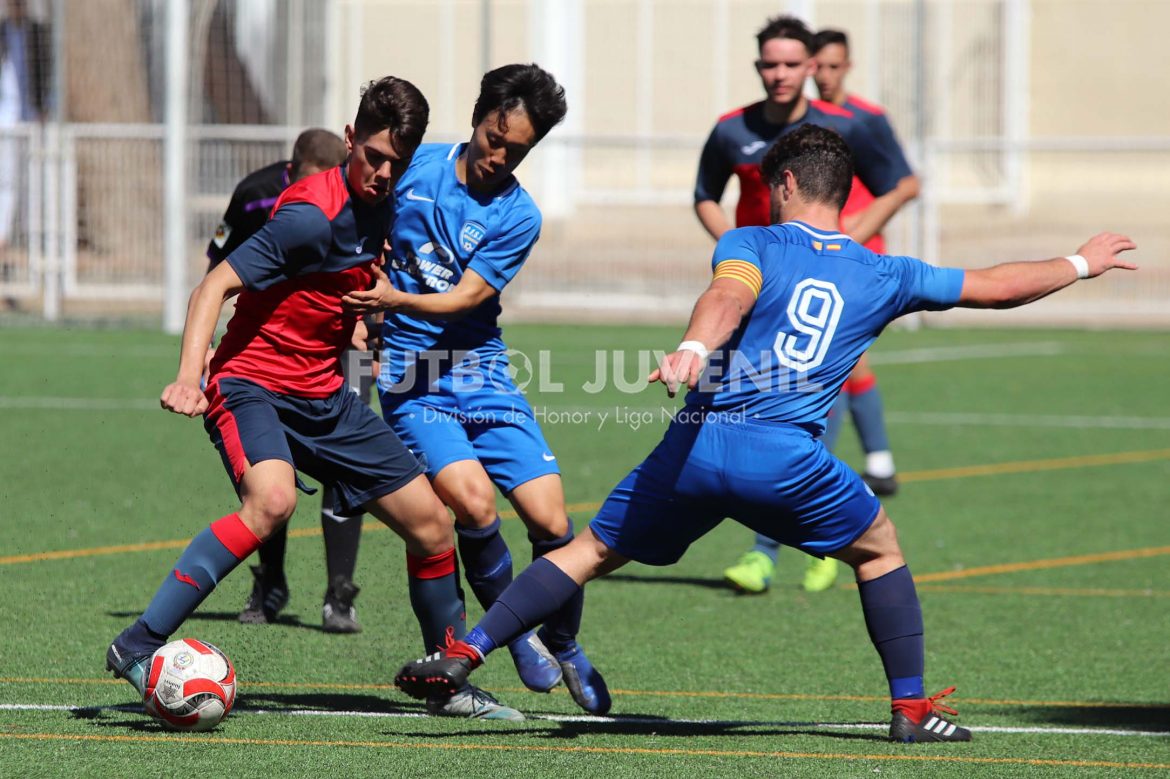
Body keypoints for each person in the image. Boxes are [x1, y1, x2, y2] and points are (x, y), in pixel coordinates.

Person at [394, 124, 1137, 743]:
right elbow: (994, 285)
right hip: (784, 459)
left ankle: (465, 649)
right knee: (879, 550)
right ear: (843, 196)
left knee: (588, 549)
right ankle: (911, 708)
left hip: (699, 443)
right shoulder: (886, 273)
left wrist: (693, 344)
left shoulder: (752, 241)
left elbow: (727, 295)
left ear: (782, 185)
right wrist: (1079, 262)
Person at [106, 76, 524, 722]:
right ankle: (136, 642)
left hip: (324, 393)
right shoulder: (308, 215)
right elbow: (211, 287)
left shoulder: (387, 205)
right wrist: (191, 375)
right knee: (270, 501)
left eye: (397, 163)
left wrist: (362, 323)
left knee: (434, 524)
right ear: (350, 140)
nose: (383, 174)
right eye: (373, 157)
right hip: (252, 385)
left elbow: (341, 286)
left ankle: (447, 680)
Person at [341, 63, 609, 715]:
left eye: (517, 150)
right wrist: (358, 319)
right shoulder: (416, 169)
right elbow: (359, 237)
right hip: (411, 375)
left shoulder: (519, 216)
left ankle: (565, 643)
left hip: (482, 373)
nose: (500, 155)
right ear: (479, 117)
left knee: (551, 519)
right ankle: (514, 641)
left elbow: (469, 295)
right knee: (474, 503)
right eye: (495, 137)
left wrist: (393, 295)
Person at [695, 16, 915, 595]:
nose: (781, 74)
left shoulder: (846, 125)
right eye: (771, 64)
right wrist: (732, 250)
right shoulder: (730, 130)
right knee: (727, 404)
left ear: (811, 67)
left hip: (821, 282)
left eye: (793, 63)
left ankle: (777, 547)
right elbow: (704, 195)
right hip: (750, 286)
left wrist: (861, 233)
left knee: (811, 395)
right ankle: (814, 531)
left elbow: (902, 181)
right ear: (758, 66)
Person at [206, 128, 369, 634]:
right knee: (272, 470)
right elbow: (218, 265)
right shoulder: (256, 195)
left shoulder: (362, 197)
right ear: (291, 169)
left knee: (349, 466)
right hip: (274, 352)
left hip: (351, 344)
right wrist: (215, 342)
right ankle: (271, 581)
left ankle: (339, 592)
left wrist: (377, 344)